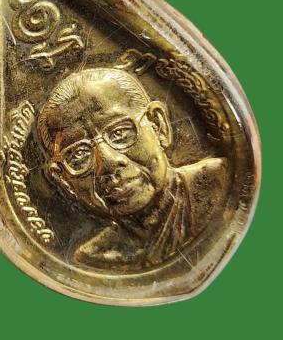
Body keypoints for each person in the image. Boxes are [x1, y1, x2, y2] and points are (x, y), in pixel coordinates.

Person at [37, 68, 227, 269]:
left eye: (119, 133)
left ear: (158, 126)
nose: (108, 163)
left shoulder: (222, 182)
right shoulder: (94, 261)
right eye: (78, 154)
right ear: (64, 180)